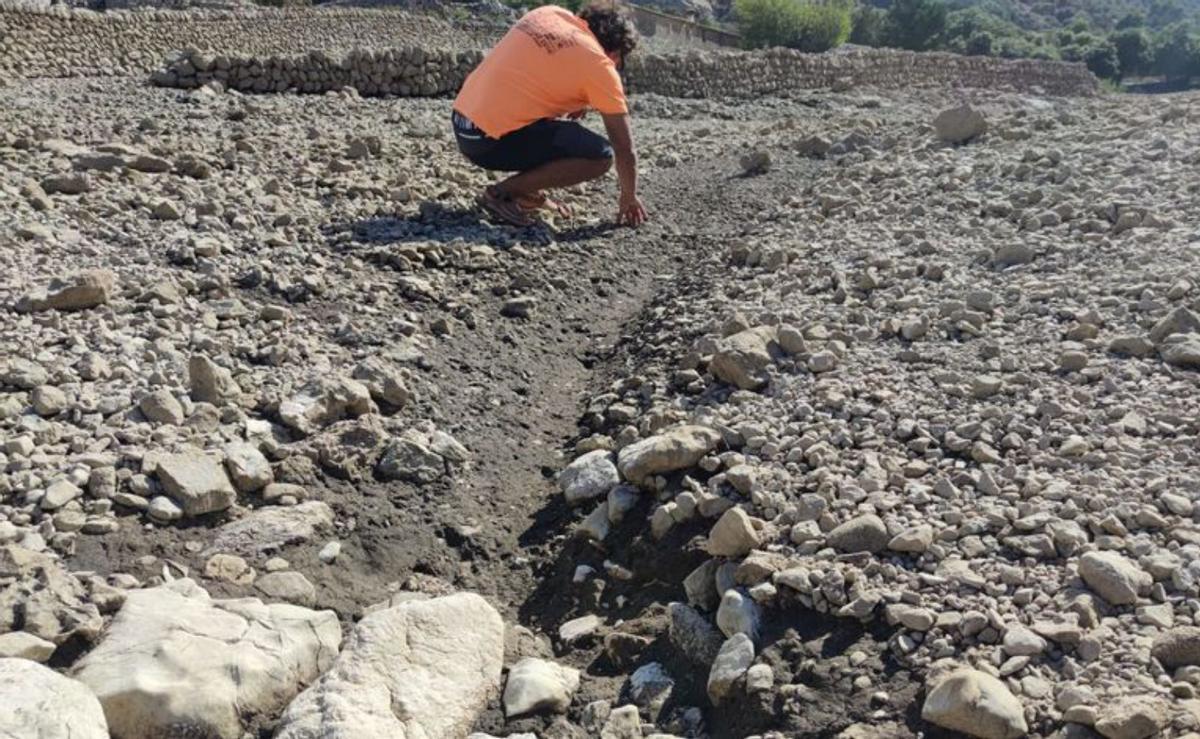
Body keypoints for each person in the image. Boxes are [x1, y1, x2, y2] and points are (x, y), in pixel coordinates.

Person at [451, 2, 648, 227]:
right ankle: (502, 193)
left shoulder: (550, 14)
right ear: (614, 52)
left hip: (462, 125)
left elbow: (535, 74)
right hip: (487, 144)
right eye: (621, 60)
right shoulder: (600, 66)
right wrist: (629, 196)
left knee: (556, 126)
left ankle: (526, 193)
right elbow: (625, 148)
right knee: (600, 156)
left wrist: (578, 96)